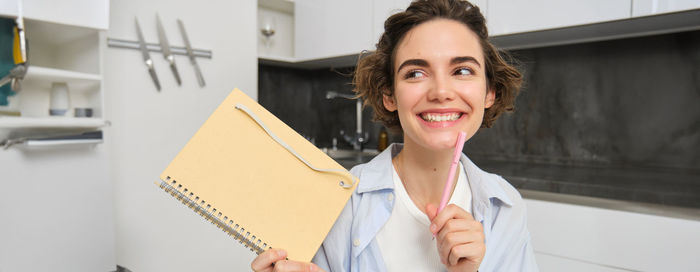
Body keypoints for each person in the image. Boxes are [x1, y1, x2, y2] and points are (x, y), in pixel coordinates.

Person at [252, 0, 538, 271]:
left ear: (489, 91)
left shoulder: (505, 209)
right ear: (389, 94)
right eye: (415, 73)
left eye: (462, 70)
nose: (440, 92)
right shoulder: (341, 206)